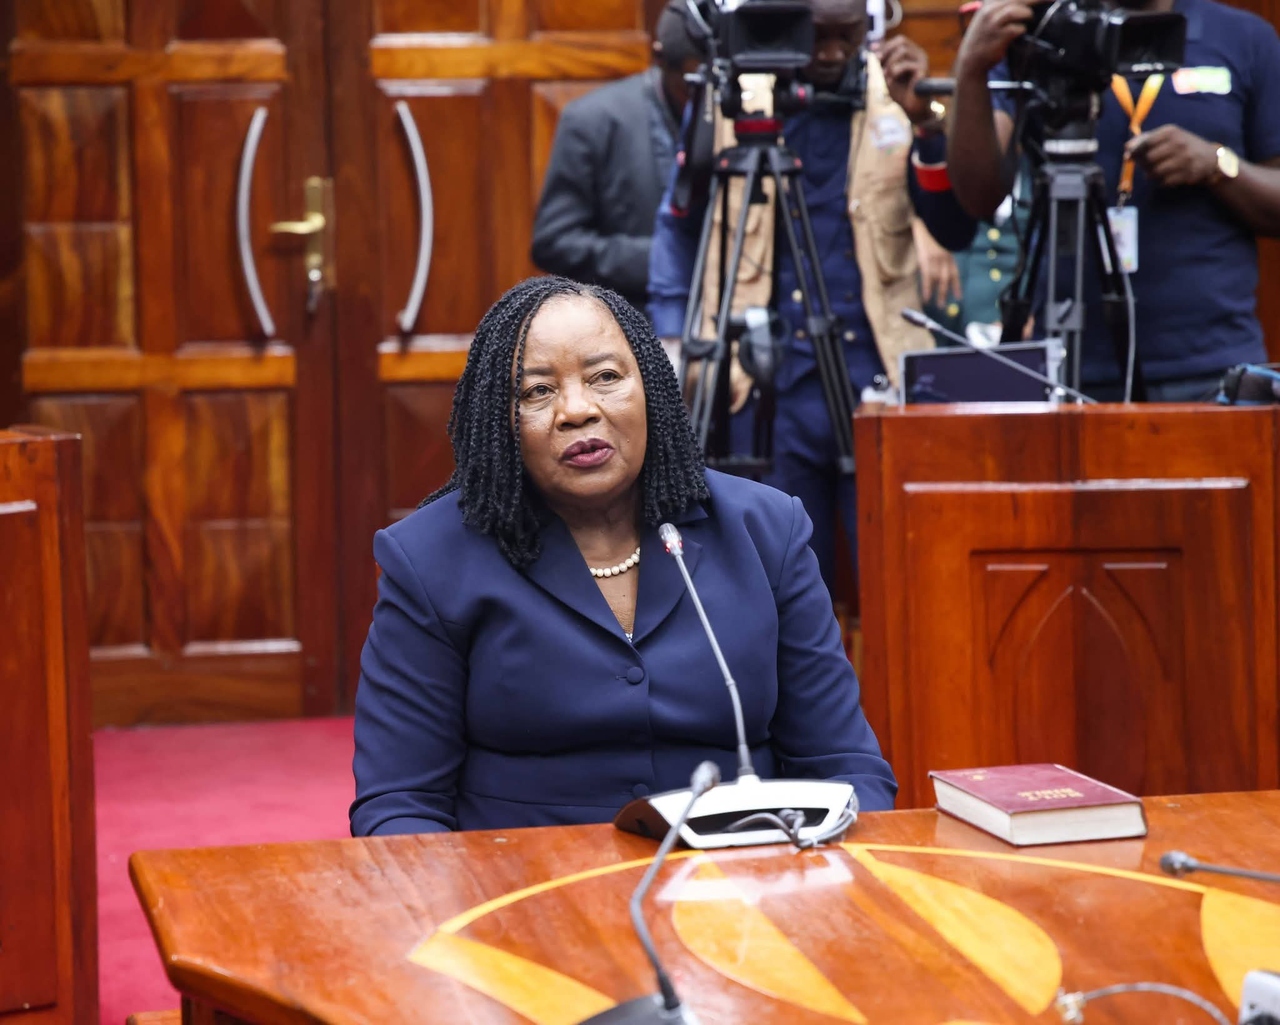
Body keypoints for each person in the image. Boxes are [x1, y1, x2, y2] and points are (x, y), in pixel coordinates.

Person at [349, 276, 897, 835]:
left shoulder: (766, 531)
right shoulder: (430, 559)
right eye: (537, 391)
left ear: (651, 387)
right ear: (499, 420)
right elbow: (400, 804)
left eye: (605, 377)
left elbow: (843, 765)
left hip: (743, 886)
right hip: (524, 896)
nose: (576, 410)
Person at [912, 0, 1280, 400]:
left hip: (1209, 364)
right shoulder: (1045, 32)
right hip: (1071, 364)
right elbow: (979, 196)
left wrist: (1217, 164)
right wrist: (971, 69)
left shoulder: (1245, 38)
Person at [529, 3, 704, 313]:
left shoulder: (740, 114)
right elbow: (554, 244)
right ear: (660, 58)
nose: (704, 100)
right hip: (632, 325)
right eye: (691, 87)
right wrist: (666, 257)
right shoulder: (590, 120)